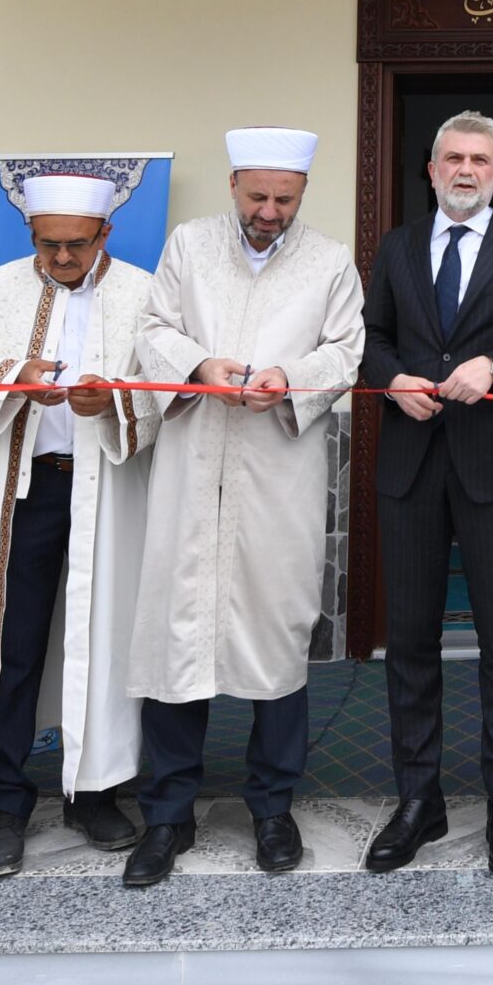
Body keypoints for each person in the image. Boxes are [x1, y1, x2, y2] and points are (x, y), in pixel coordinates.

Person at [121, 129, 366, 885]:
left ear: (302, 193)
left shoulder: (330, 260)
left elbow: (346, 350)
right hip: (192, 467)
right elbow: (153, 328)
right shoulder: (189, 246)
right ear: (233, 185)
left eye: (284, 199)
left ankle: (272, 808)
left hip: (277, 473)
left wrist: (287, 378)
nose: (269, 211)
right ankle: (168, 814)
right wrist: (200, 365)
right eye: (257, 196)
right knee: (176, 633)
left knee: (276, 631)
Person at [0, 172, 151, 880]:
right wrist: (13, 374)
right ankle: (6, 805)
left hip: (106, 490)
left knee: (100, 641)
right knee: (12, 648)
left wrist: (115, 402)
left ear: (106, 233)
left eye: (77, 244)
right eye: (49, 245)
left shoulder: (144, 294)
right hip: (23, 493)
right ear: (31, 235)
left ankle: (94, 793)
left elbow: (171, 379)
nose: (63, 258)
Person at [360, 111, 493, 877]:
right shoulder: (398, 246)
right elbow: (370, 336)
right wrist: (391, 378)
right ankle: (420, 799)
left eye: (480, 159)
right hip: (411, 463)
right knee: (410, 640)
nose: (466, 170)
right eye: (453, 157)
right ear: (432, 168)